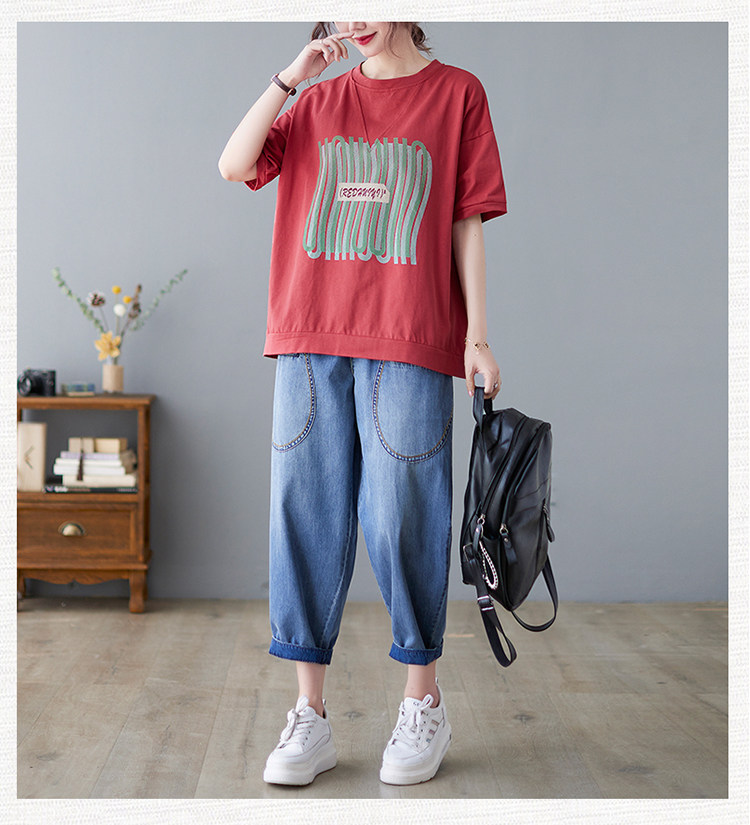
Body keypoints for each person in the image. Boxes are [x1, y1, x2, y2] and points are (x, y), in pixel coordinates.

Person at [218, 21, 506, 787]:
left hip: (411, 336)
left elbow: (466, 219)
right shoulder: (314, 102)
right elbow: (234, 164)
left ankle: (422, 701)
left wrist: (478, 336)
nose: (355, 20)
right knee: (303, 514)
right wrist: (289, 77)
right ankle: (309, 714)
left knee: (404, 514)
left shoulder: (457, 94)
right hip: (309, 337)